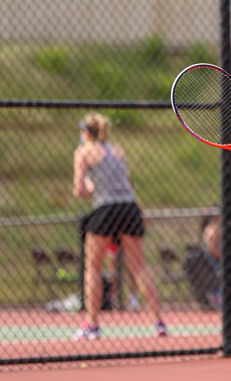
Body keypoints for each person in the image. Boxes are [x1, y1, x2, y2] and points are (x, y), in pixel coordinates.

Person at [73, 112, 167, 339]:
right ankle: (159, 322)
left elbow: (80, 190)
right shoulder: (117, 150)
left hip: (106, 207)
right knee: (139, 266)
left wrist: (88, 185)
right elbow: (126, 184)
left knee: (93, 266)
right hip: (129, 207)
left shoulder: (83, 152)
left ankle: (92, 325)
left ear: (86, 132)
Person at [199, 213, 231, 309]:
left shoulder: (220, 228)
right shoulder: (213, 229)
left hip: (219, 264)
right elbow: (213, 251)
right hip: (215, 266)